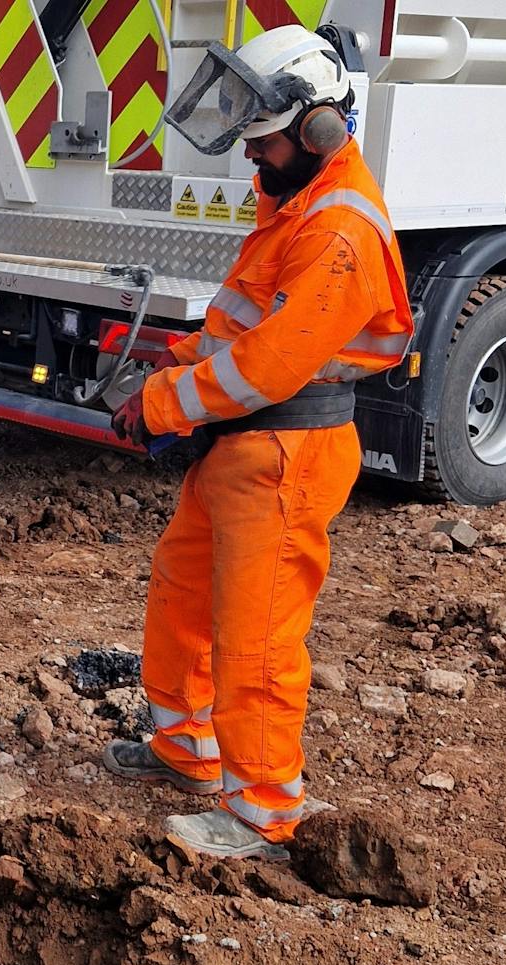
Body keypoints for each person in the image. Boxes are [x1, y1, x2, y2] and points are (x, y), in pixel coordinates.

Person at [100, 24, 414, 859]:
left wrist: (162, 404)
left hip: (285, 455)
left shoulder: (338, 230)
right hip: (241, 453)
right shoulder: (295, 207)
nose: (253, 163)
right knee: (182, 592)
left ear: (317, 131)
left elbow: (271, 366)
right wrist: (166, 361)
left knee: (258, 636)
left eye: (264, 146)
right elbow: (240, 330)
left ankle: (266, 816)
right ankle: (188, 753)